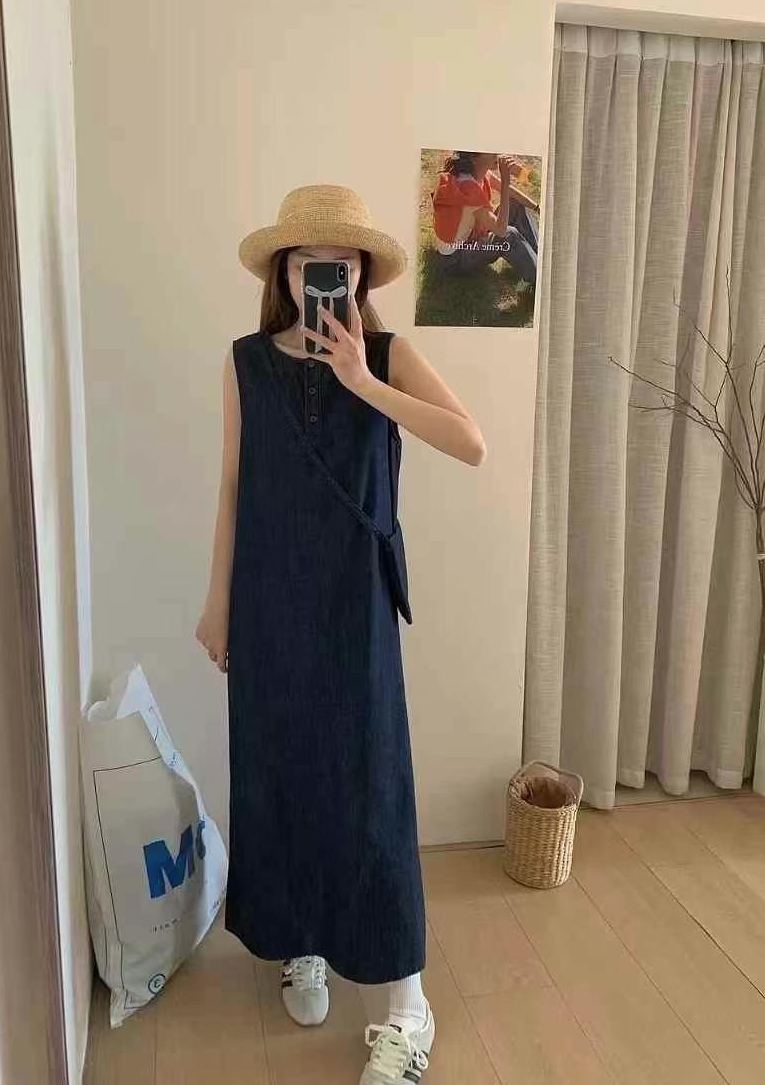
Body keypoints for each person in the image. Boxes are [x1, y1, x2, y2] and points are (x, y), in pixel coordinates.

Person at [196, 184, 486, 1084]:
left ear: (361, 276)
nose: (324, 276)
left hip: (355, 601)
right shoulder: (246, 363)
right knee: (281, 771)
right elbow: (234, 488)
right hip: (268, 598)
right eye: (307, 262)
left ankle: (407, 1005)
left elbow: (470, 442)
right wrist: (218, 602)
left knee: (370, 788)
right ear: (284, 273)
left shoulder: (389, 356)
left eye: (342, 264)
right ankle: (303, 941)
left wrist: (363, 382)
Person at [432, 151, 539, 286]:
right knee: (508, 235)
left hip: (469, 238)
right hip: (455, 259)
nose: (497, 154)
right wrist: (505, 181)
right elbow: (501, 231)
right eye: (490, 150)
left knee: (516, 205)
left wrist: (537, 208)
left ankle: (540, 257)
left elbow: (512, 192)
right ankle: (540, 280)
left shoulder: (479, 173)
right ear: (474, 158)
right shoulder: (468, 189)